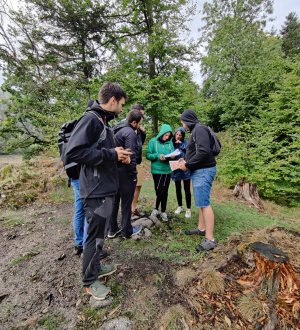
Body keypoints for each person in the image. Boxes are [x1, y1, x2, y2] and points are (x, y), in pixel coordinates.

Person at [66, 82, 132, 301]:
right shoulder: (90, 119)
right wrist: (111, 154)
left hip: (104, 187)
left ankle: (96, 268)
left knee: (100, 235)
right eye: (122, 104)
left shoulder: (103, 121)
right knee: (93, 237)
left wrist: (118, 155)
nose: (122, 109)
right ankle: (89, 282)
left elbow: (103, 153)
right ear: (112, 100)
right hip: (94, 189)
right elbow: (74, 151)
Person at [178, 109, 217, 251]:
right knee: (201, 202)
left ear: (188, 120)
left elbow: (203, 151)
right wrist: (186, 159)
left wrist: (187, 165)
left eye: (183, 121)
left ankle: (210, 239)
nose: (182, 125)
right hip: (199, 170)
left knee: (205, 204)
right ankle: (201, 229)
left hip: (203, 171)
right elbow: (197, 151)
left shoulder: (199, 129)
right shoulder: (196, 130)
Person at [108, 109, 143, 239]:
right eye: (139, 123)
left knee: (114, 201)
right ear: (134, 122)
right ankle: (127, 231)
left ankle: (112, 229)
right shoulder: (130, 133)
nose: (139, 126)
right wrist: (133, 174)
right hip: (124, 172)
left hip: (113, 171)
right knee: (126, 202)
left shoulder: (116, 129)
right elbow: (131, 156)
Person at [146, 124, 174, 222]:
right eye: (165, 135)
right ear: (161, 133)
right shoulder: (153, 141)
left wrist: (172, 156)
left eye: (169, 136)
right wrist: (158, 156)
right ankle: (155, 209)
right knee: (158, 190)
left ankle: (163, 211)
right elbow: (148, 155)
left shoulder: (170, 143)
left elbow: (173, 153)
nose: (167, 137)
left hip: (167, 170)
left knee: (165, 190)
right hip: (157, 170)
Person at [171, 127, 192, 218]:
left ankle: (188, 209)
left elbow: (190, 154)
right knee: (178, 189)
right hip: (176, 169)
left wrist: (181, 146)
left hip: (185, 169)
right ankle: (180, 207)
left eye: (180, 135)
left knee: (187, 190)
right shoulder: (172, 143)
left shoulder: (186, 143)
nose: (178, 136)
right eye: (177, 134)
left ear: (183, 135)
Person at [130, 104, 146, 216]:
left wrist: (143, 132)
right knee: (129, 186)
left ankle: (133, 208)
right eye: (141, 114)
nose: (143, 117)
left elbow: (140, 144)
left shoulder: (139, 129)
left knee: (138, 185)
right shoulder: (126, 126)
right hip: (129, 162)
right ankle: (127, 208)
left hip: (138, 161)